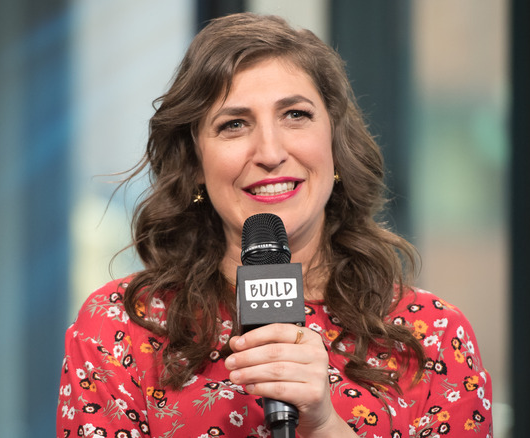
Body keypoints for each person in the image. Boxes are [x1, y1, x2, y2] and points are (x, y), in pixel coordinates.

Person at [57, 12, 492, 438]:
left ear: (336, 146)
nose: (269, 151)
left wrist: (323, 426)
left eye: (295, 115)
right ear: (194, 165)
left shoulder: (431, 334)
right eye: (234, 124)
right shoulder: (121, 326)